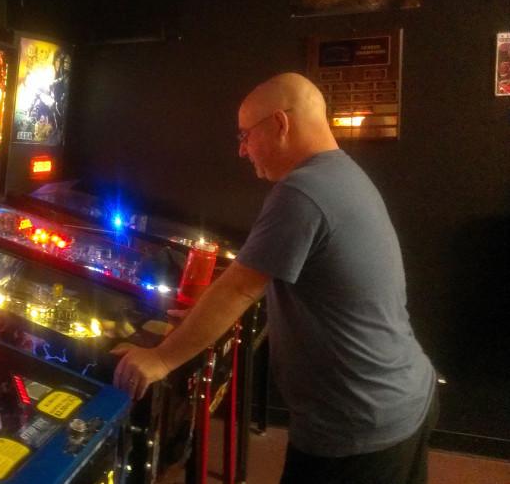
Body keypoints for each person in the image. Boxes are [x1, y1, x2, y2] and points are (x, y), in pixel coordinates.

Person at [112, 73, 437, 483]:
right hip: (402, 396)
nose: (243, 150)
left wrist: (160, 358)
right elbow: (280, 274)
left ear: (281, 124)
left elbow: (240, 288)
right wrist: (202, 315)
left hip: (359, 421)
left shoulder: (303, 190)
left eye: (246, 135)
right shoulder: (342, 174)